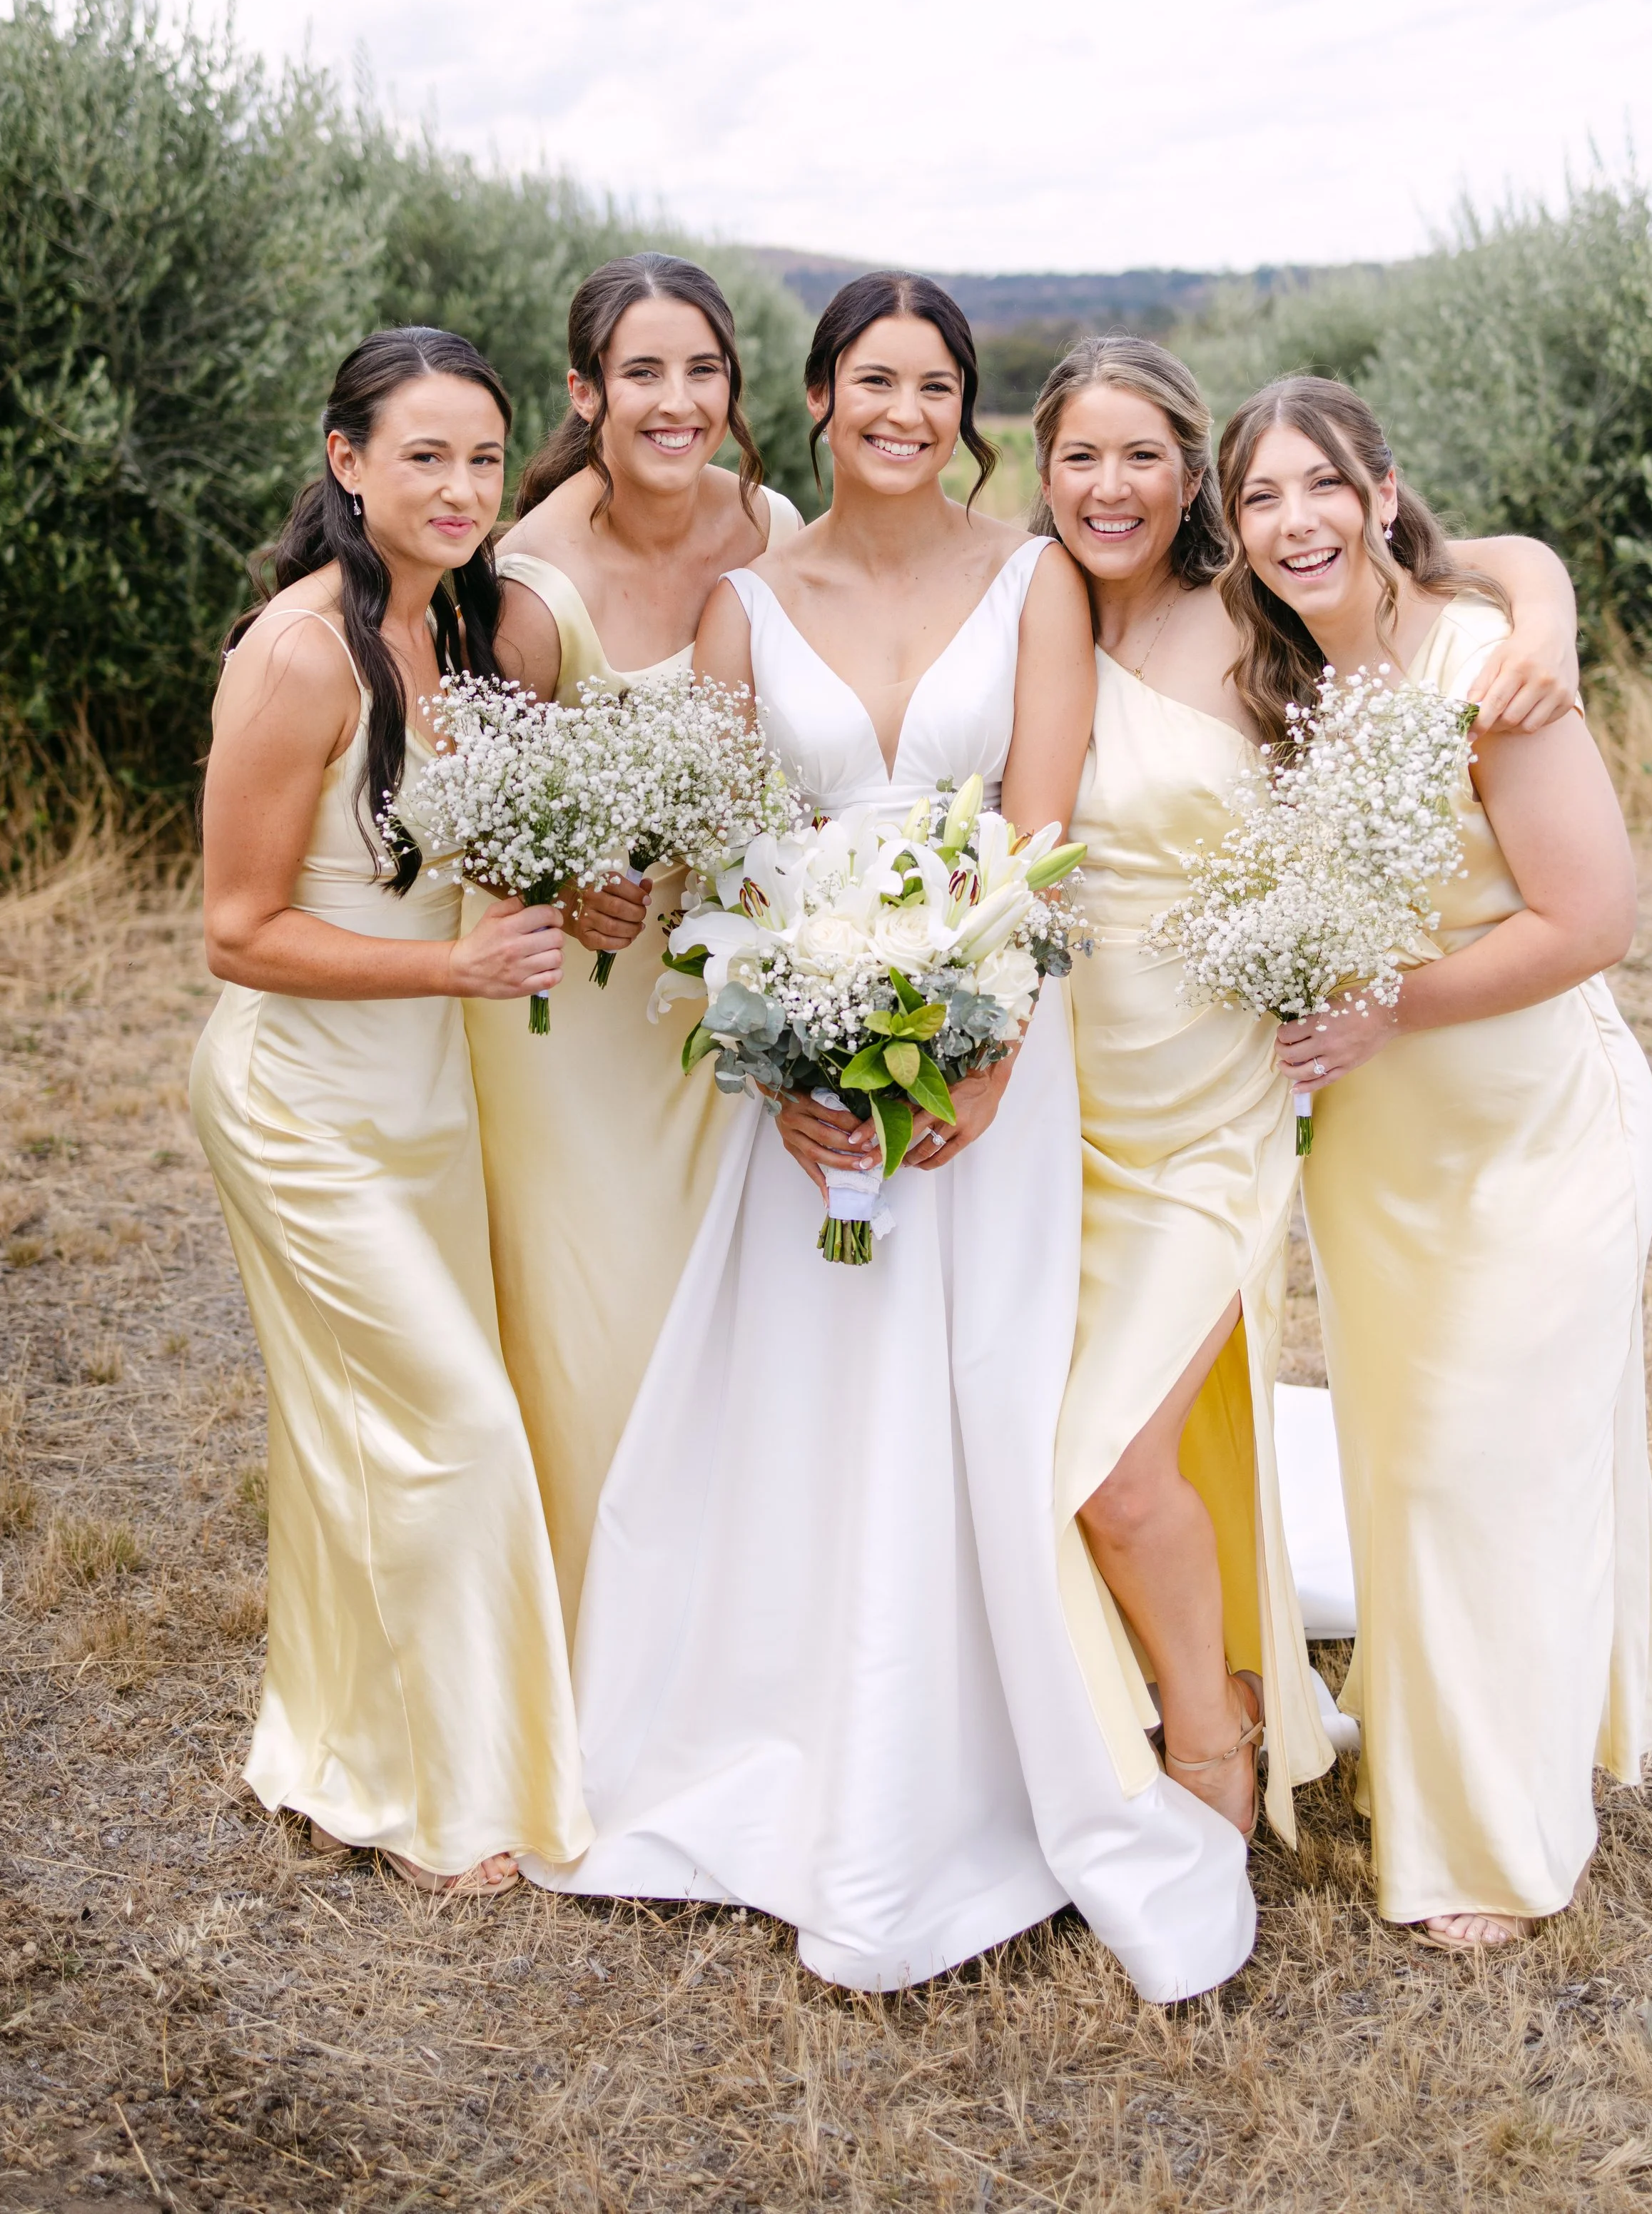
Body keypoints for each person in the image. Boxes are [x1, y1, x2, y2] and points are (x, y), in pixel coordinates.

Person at [526, 276, 1259, 2003]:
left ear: (966, 410)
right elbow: (710, 852)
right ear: (817, 398)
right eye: (876, 381)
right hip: (798, 1058)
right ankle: (779, 1745)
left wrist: (981, 1049)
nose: (907, 412)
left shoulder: (1033, 585)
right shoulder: (740, 605)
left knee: (980, 1387)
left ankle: (993, 1765)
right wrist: (764, 1029)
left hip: (994, 1047)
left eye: (937, 385)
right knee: (810, 1385)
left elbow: (1042, 836)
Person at [1033, 338, 1586, 1847]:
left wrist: (1544, 609)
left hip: (1213, 1102)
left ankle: (1215, 1747)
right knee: (1050, 1432)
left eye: (1144, 454)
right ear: (1039, 473)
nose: (1110, 486)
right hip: (1057, 1102)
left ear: (1185, 479)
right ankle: (1185, 1692)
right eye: (1079, 456)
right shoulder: (1025, 612)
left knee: (1114, 1458)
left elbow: (1470, 561)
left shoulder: (1249, 618)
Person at [1216, 372, 1652, 1949]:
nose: (1291, 521)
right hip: (1378, 1156)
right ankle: (1452, 1760)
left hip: (1531, 1132)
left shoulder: (1482, 664)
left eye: (1317, 485)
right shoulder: (1273, 681)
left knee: (1497, 1467)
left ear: (1377, 489)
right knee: (1413, 1476)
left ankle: (1493, 1838)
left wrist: (1386, 1005)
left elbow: (1590, 920)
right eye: (1259, 495)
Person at [191, 327, 588, 1894]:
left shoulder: (459, 629)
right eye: (422, 453)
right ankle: (436, 1789)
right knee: (452, 1424)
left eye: (483, 456)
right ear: (348, 460)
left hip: (420, 1097)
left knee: (369, 1429)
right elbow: (234, 929)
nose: (459, 485)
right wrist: (461, 970)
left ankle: (344, 1737)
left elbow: (460, 866)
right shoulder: (298, 651)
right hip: (302, 1102)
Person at [470, 254, 804, 1641]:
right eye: (645, 372)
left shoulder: (774, 521)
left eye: (702, 370)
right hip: (580, 1020)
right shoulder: (531, 577)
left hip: (722, 990)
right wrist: (561, 872)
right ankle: (590, 1638)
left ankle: (729, 1628)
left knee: (727, 1319)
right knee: (599, 1318)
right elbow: (478, 818)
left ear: (732, 388)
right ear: (586, 391)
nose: (677, 400)